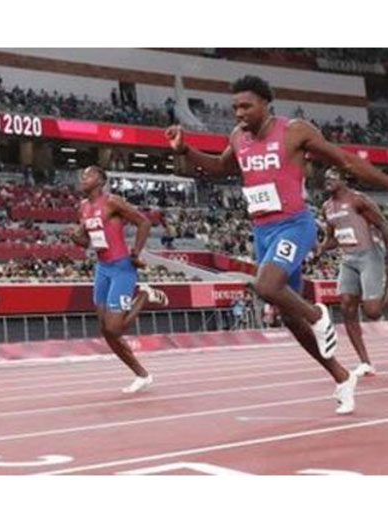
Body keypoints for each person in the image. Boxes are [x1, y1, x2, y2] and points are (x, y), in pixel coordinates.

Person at [165, 75, 388, 414]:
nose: (238, 113)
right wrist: (186, 150)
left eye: (246, 106)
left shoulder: (295, 131)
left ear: (266, 104)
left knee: (267, 285)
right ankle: (342, 377)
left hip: (294, 226)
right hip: (262, 231)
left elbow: (345, 161)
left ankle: (318, 314)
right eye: (235, 107)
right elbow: (219, 167)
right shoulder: (238, 137)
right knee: (288, 317)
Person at [68, 165, 169, 394]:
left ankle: (145, 294)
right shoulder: (83, 207)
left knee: (115, 328)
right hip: (103, 269)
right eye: (82, 175)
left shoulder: (112, 202)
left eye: (89, 175)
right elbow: (87, 242)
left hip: (122, 267)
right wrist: (76, 238)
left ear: (101, 181)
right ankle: (142, 375)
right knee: (106, 330)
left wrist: (136, 253)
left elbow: (143, 222)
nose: (83, 178)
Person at [318, 167, 388, 377]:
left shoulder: (359, 200)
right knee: (347, 306)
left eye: (332, 177)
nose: (327, 180)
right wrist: (320, 248)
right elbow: (332, 238)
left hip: (369, 255)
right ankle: (365, 362)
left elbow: (383, 224)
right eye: (325, 178)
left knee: (373, 312)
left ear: (343, 180)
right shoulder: (327, 207)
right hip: (348, 260)